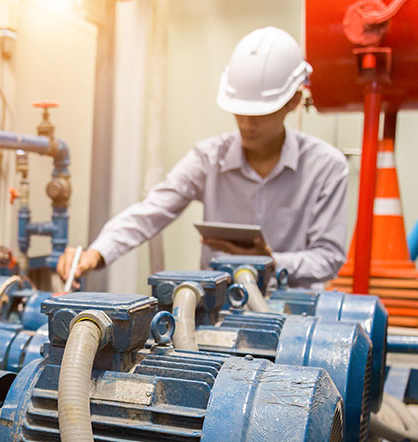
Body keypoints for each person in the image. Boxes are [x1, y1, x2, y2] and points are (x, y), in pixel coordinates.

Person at [57, 26, 349, 290]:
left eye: (260, 113)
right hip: (217, 312)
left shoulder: (326, 168)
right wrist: (95, 253)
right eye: (239, 110)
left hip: (294, 317)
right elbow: (151, 211)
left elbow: (329, 257)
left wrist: (272, 262)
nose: (246, 124)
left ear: (294, 102)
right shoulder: (209, 158)